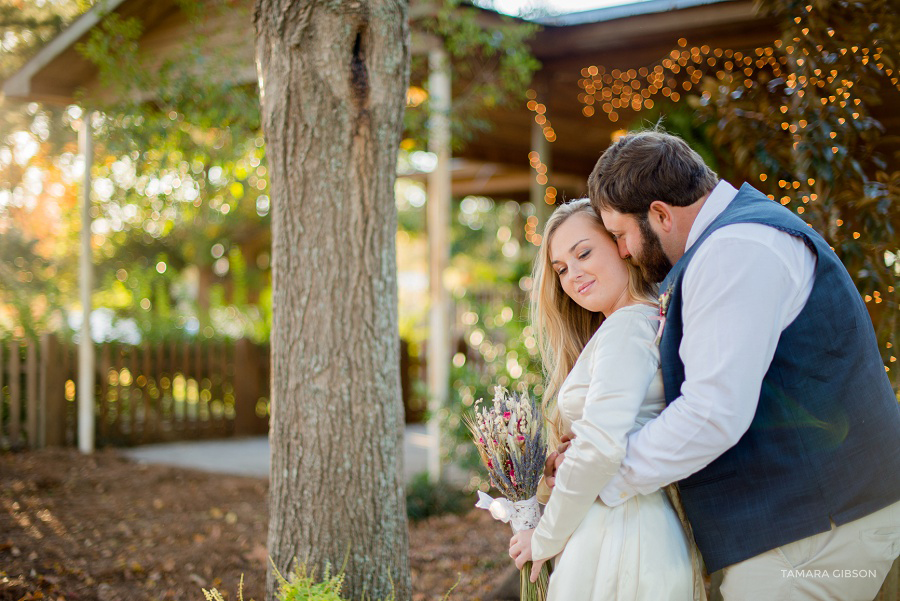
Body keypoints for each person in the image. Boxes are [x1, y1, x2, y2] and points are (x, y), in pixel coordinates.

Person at [549, 129, 900, 600]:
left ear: (659, 214)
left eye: (619, 235)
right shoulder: (734, 241)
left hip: (816, 530)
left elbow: (712, 413)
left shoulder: (734, 251)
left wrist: (600, 476)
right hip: (807, 523)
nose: (625, 251)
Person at [507, 198, 705, 601]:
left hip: (623, 533)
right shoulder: (629, 324)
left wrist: (542, 539)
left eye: (583, 253)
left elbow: (601, 447)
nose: (573, 274)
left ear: (620, 246)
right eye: (561, 269)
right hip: (618, 526)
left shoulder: (629, 325)